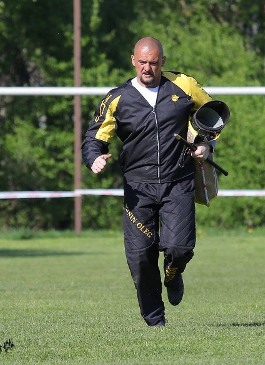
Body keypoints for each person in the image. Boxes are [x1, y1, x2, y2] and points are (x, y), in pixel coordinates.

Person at [81, 37, 213, 327]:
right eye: (142, 62)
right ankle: (155, 321)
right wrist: (94, 158)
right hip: (138, 189)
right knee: (141, 256)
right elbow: (93, 138)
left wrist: (204, 145)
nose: (147, 68)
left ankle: (174, 271)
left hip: (178, 181)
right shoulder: (117, 98)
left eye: (153, 62)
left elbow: (212, 114)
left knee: (179, 248)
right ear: (133, 61)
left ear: (162, 62)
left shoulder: (184, 85)